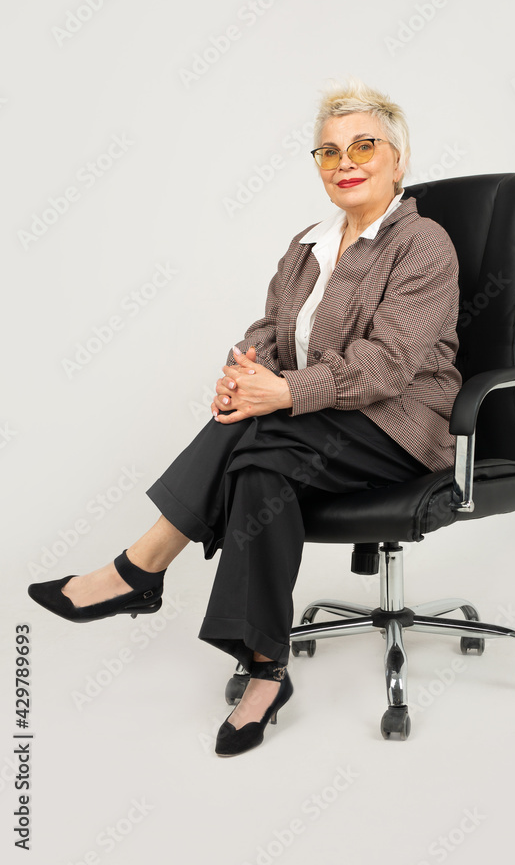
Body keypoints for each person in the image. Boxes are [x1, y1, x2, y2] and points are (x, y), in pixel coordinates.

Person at [27, 77, 462, 757]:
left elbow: (387, 365)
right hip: (313, 427)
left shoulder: (423, 243)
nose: (344, 162)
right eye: (327, 151)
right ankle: (265, 670)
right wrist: (244, 373)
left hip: (403, 425)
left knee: (266, 431)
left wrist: (280, 393)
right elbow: (269, 329)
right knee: (261, 463)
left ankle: (138, 571)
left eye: (363, 146)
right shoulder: (307, 245)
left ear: (397, 159)